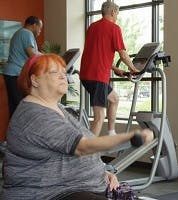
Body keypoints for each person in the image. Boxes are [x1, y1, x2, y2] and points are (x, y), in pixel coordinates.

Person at [2, 54, 154, 200]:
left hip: (79, 187)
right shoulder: (35, 115)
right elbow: (82, 147)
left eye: (64, 71)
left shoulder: (56, 108)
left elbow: (84, 145)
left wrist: (102, 172)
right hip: (50, 193)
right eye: (55, 72)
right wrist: (130, 137)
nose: (63, 76)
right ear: (34, 80)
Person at [80, 1, 138, 137]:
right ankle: (86, 152)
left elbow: (98, 55)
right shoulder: (114, 28)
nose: (117, 16)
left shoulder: (92, 27)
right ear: (113, 12)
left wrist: (117, 70)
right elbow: (123, 54)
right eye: (117, 13)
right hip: (98, 77)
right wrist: (133, 68)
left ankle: (111, 133)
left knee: (114, 99)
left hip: (86, 76)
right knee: (99, 116)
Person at [3, 16, 42, 118]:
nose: (40, 31)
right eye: (40, 28)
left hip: (10, 74)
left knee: (14, 107)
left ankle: (13, 133)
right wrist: (49, 58)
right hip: (16, 74)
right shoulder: (27, 33)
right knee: (21, 107)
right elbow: (32, 54)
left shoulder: (18, 33)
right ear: (34, 25)